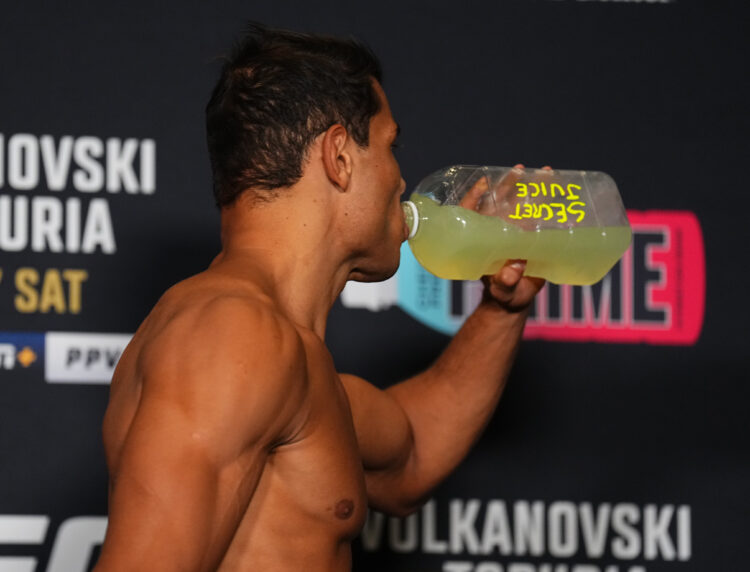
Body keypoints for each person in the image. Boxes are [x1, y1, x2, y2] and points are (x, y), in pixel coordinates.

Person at [94, 23, 544, 571]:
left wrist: (503, 308)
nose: (400, 180)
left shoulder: (289, 359)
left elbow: (412, 456)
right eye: (389, 145)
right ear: (339, 156)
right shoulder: (233, 334)